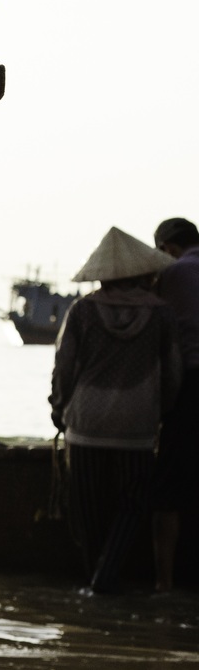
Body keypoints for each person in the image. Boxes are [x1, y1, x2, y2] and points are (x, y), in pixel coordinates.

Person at [49, 229, 181, 592]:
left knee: (88, 512)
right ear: (143, 274)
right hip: (138, 425)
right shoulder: (162, 314)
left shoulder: (82, 310)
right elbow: (173, 371)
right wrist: (163, 411)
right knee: (132, 506)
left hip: (87, 423)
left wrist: (59, 407)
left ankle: (97, 585)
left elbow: (64, 367)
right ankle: (104, 579)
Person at [151, 217, 199, 591]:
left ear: (167, 248)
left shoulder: (174, 272)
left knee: (169, 488)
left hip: (190, 384)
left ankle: (165, 585)